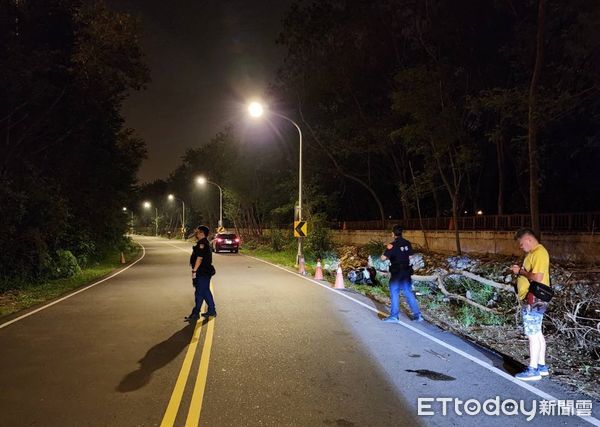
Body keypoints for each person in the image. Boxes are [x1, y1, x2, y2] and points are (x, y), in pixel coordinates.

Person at [510, 227, 550, 381]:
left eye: (521, 244)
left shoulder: (539, 253)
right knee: (537, 332)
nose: (521, 247)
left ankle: (533, 369)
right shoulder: (534, 254)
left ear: (528, 239)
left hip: (534, 297)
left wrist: (520, 272)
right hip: (536, 297)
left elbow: (537, 277)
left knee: (532, 334)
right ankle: (541, 366)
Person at [380, 224, 423, 323]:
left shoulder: (392, 245)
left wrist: (387, 251)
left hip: (396, 272)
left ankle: (394, 316)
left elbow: (382, 258)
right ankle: (418, 315)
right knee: (408, 292)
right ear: (401, 233)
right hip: (406, 271)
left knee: (394, 292)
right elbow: (410, 256)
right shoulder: (407, 243)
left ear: (393, 234)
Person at [185, 225, 217, 321]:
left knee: (199, 292)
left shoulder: (202, 244)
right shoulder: (204, 243)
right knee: (205, 291)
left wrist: (194, 270)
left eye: (198, 232)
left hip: (202, 272)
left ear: (202, 233)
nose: (196, 233)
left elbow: (199, 258)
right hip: (205, 271)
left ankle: (196, 313)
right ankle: (211, 310)